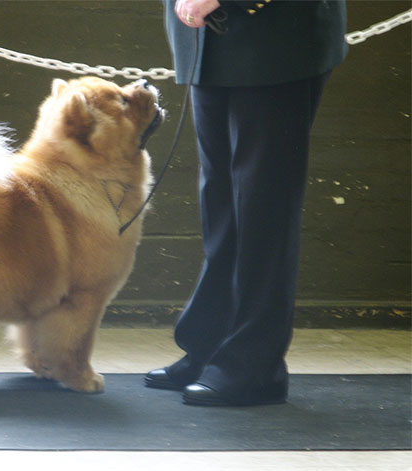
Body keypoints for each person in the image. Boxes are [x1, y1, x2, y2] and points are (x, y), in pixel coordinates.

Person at [145, 0, 348, 406]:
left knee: (263, 203)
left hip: (274, 38)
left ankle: (254, 365)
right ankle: (212, 347)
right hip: (206, 38)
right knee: (221, 203)